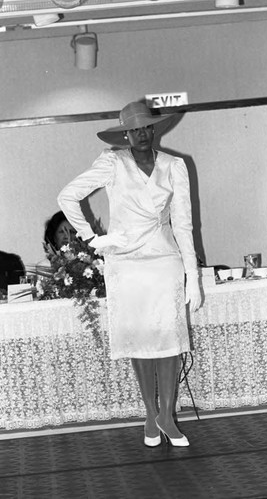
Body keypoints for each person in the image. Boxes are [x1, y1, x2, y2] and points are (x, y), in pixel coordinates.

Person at [58, 101, 202, 447]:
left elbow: (183, 224)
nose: (141, 134)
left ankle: (167, 415)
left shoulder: (174, 166)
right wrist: (95, 238)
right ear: (125, 133)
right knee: (140, 340)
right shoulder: (112, 162)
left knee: (168, 340)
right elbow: (68, 196)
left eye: (146, 128)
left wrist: (193, 275)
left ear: (155, 129)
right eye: (134, 129)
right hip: (126, 263)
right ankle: (150, 414)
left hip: (165, 260)